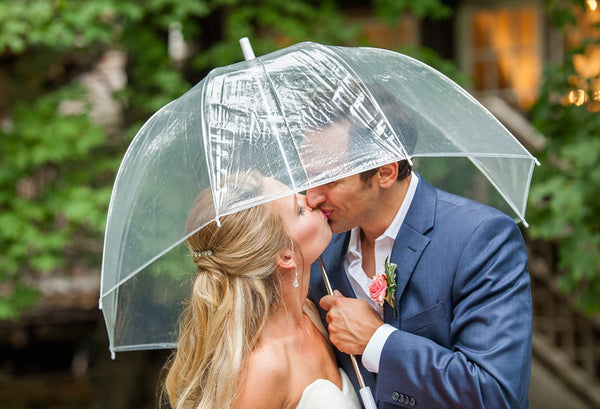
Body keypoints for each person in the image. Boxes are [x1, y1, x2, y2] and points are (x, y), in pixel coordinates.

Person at [304, 119, 532, 408]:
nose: (312, 197)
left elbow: (495, 394)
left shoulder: (480, 238)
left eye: (330, 179)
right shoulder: (319, 255)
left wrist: (379, 341)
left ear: (385, 172)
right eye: (308, 177)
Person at [163, 172, 361, 409]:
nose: (310, 200)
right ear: (285, 256)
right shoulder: (262, 368)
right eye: (298, 211)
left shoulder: (311, 313)